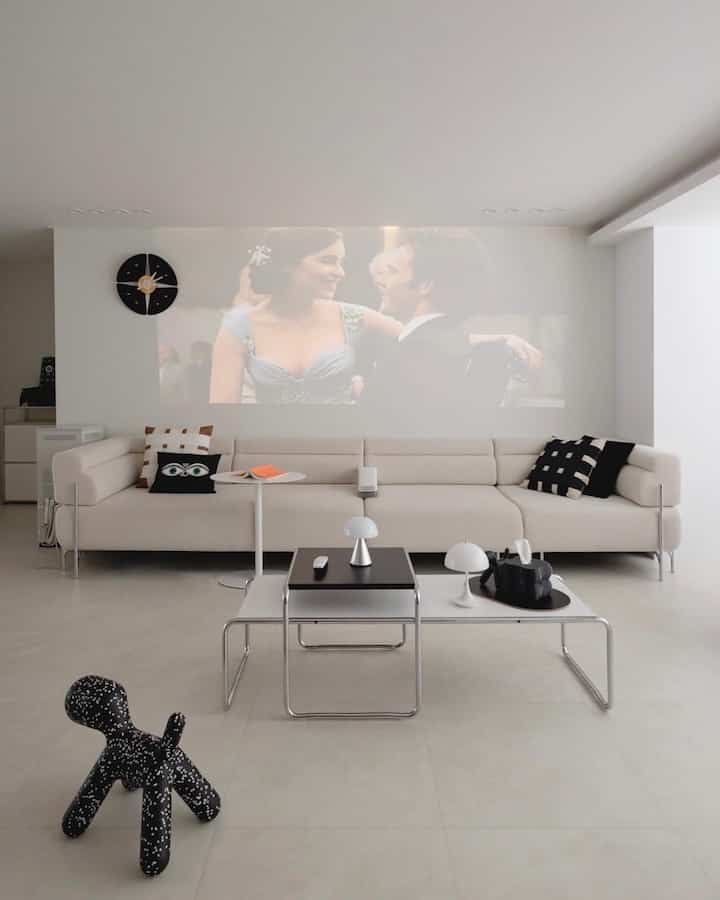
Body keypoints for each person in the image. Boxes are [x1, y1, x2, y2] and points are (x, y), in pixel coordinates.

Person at [209, 229, 403, 403]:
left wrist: (373, 392)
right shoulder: (239, 328)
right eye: (328, 260)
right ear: (287, 264)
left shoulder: (353, 316)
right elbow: (224, 414)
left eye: (341, 262)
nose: (341, 273)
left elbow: (419, 340)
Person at [363, 229, 543, 415]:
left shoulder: (408, 360)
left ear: (425, 285)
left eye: (392, 271)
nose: (380, 281)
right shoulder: (456, 350)